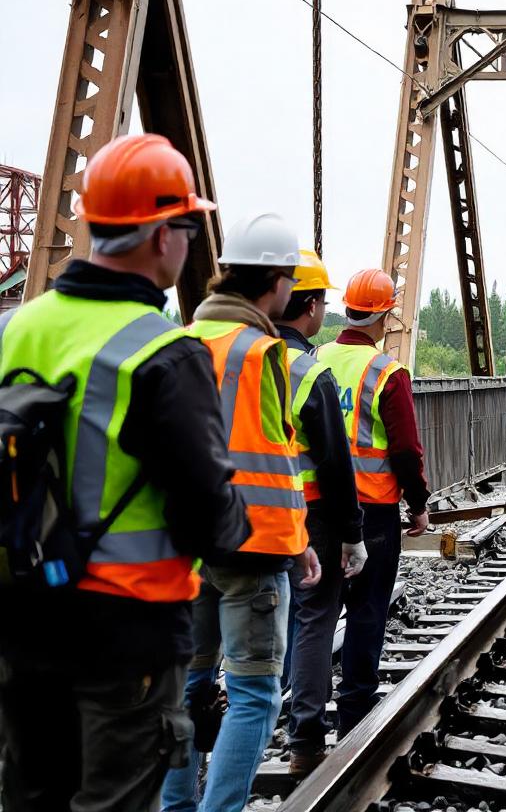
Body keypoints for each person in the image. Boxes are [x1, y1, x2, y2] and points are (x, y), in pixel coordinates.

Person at [0, 134, 247, 811]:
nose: (193, 242)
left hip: (22, 617)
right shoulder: (164, 351)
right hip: (127, 633)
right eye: (190, 226)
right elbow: (212, 521)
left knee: (31, 797)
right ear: (161, 234)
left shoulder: (15, 328)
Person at [161, 212, 320, 812]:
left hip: (184, 544)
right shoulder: (262, 351)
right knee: (255, 693)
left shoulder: (178, 342)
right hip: (252, 546)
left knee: (187, 684)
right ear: (277, 282)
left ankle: (177, 808)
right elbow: (275, 456)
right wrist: (298, 537)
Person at [316, 268, 429, 737]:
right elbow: (404, 449)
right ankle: (354, 708)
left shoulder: (315, 357)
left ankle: (307, 706)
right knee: (366, 607)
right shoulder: (387, 372)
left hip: (316, 506)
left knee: (318, 609)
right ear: (385, 315)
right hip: (373, 511)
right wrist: (418, 503)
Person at [275, 250, 366, 776]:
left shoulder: (233, 357)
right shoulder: (310, 373)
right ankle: (304, 737)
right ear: (310, 306)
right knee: (314, 620)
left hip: (232, 512)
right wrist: (353, 533)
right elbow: (335, 465)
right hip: (310, 516)